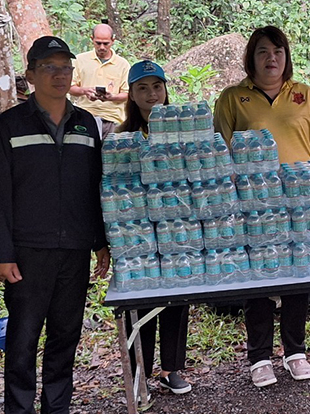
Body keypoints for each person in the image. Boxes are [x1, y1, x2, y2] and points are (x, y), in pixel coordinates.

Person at [0, 36, 110, 413]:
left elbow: (94, 187)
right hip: (27, 253)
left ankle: (57, 407)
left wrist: (99, 240)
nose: (59, 75)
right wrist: (1, 254)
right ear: (31, 75)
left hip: (74, 249)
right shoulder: (9, 125)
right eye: (49, 68)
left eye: (65, 67)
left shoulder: (86, 124)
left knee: (65, 337)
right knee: (23, 340)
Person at [214, 25, 310, 388]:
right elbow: (221, 153)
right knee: (259, 278)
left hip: (301, 204)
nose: (272, 58)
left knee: (297, 275)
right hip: (253, 205)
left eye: (278, 51)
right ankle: (260, 358)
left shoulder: (304, 95)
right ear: (251, 57)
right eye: (263, 51)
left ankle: (295, 352)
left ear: (287, 57)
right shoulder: (232, 98)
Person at [116, 60, 191, 395]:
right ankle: (139, 373)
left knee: (177, 297)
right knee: (141, 302)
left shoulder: (183, 130)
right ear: (131, 94)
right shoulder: (122, 137)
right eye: (142, 88)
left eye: (157, 87)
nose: (151, 94)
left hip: (178, 226)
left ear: (165, 90)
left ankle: (172, 368)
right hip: (137, 231)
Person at [69, 23, 130, 136]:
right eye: (98, 43)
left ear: (113, 41)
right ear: (92, 39)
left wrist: (112, 97)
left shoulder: (122, 64)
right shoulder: (80, 60)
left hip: (112, 118)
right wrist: (85, 91)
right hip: (85, 115)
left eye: (106, 43)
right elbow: (70, 87)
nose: (102, 47)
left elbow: (127, 94)